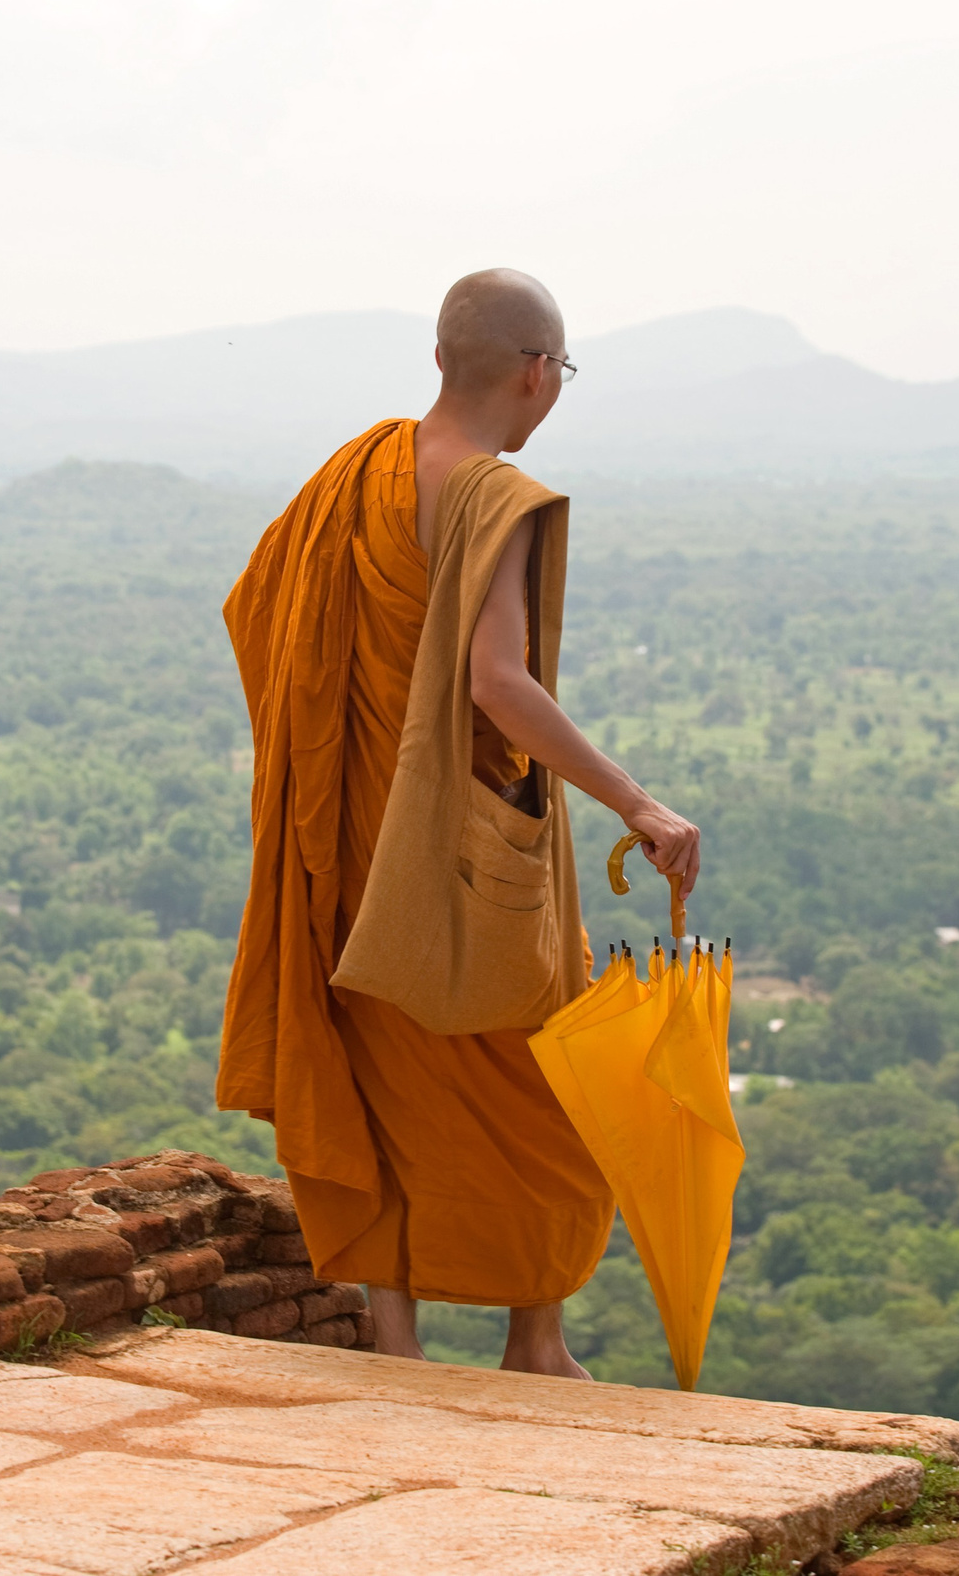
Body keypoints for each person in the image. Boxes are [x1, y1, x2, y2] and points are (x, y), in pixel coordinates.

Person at [217, 268, 701, 1376]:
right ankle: (535, 1341)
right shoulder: (492, 497)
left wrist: (337, 759)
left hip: (346, 833)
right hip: (465, 854)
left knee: (382, 1080)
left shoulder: (357, 475)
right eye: (560, 370)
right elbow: (498, 685)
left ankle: (395, 1342)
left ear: (445, 359)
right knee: (554, 1098)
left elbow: (257, 609)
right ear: (537, 372)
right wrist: (637, 800)